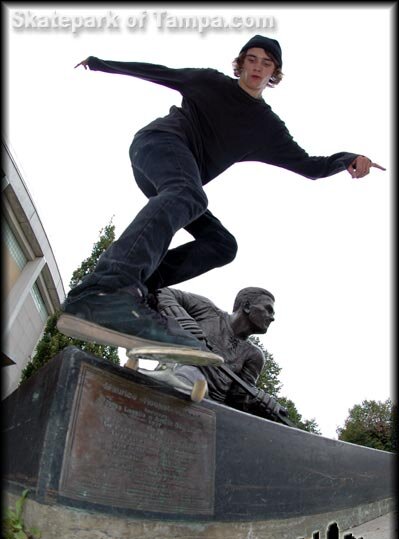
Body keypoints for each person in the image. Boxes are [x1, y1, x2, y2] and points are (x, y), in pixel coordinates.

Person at [60, 35, 385, 357]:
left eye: (267, 63)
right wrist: (101, 64)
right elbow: (161, 71)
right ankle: (107, 288)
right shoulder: (210, 82)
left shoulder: (267, 128)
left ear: (274, 73)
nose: (258, 67)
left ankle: (139, 291)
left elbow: (309, 166)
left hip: (175, 185)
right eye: (252, 59)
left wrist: (348, 159)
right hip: (157, 144)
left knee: (221, 245)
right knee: (189, 194)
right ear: (241, 63)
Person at [139, 286, 288, 421]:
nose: (272, 317)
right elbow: (162, 291)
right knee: (189, 372)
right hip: (172, 382)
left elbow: (237, 398)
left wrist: (262, 403)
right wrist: (183, 321)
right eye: (268, 309)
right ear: (247, 306)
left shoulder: (254, 355)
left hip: (207, 410)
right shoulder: (207, 311)